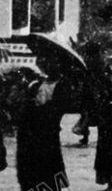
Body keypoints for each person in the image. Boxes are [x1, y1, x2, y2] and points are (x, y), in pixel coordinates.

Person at [9, 58, 73, 191]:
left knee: (48, 167)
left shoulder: (62, 85)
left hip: (47, 132)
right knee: (30, 168)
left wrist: (42, 109)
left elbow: (59, 108)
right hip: (31, 131)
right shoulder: (38, 84)